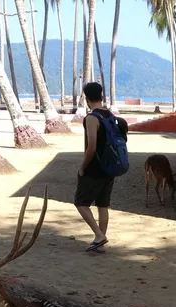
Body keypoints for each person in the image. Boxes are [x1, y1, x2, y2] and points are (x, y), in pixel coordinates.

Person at [75, 82, 128, 253]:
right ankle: (100, 242)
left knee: (81, 202)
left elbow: (91, 147)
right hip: (110, 167)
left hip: (95, 168)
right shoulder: (109, 115)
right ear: (102, 96)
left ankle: (99, 235)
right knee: (102, 205)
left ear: (86, 98)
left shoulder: (92, 118)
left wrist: (82, 167)